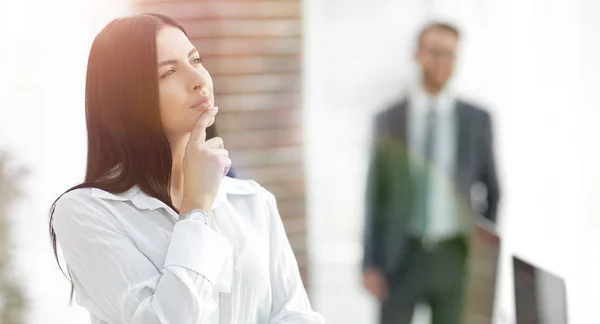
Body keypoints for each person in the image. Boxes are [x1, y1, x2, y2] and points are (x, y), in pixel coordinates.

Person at [49, 13, 324, 324]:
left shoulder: (252, 201)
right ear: (126, 97)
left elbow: (296, 316)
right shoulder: (86, 212)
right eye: (168, 72)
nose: (198, 80)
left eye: (195, 60)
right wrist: (196, 211)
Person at [362, 22, 500, 324]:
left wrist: (482, 258)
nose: (443, 62)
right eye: (435, 52)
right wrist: (370, 262)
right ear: (418, 55)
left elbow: (493, 189)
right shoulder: (388, 119)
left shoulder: (476, 120)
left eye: (451, 54)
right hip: (401, 256)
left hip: (454, 257)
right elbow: (376, 196)